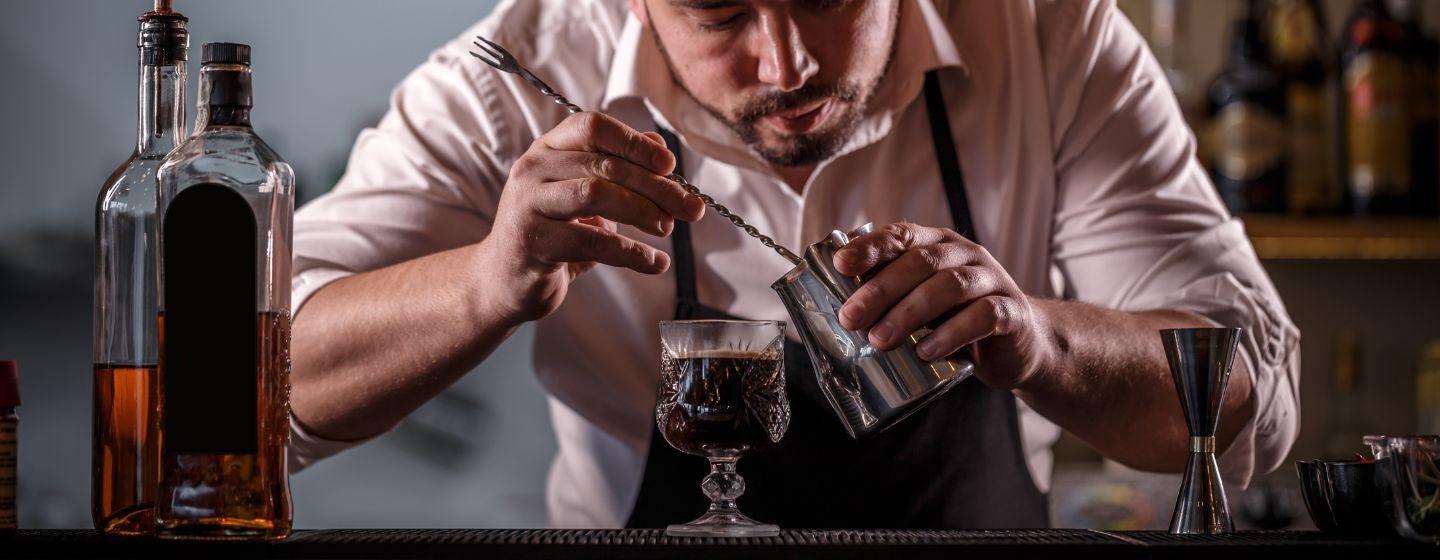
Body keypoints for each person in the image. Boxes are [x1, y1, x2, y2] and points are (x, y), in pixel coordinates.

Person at [288, 0, 1300, 528]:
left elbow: (1251, 393)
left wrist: (1036, 335)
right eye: (721, 15)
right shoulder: (509, 75)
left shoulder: (1050, 34)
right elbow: (254, 391)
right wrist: (482, 283)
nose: (789, 67)